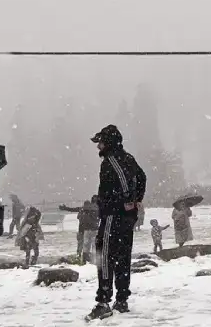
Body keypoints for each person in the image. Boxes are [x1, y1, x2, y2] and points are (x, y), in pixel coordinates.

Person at [86, 124, 147, 321]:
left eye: (101, 142)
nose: (98, 147)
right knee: (122, 257)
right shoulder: (128, 158)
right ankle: (121, 299)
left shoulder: (112, 161)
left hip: (113, 216)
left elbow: (122, 182)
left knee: (104, 255)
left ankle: (103, 301)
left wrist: (128, 201)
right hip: (125, 218)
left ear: (108, 143)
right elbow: (142, 177)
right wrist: (135, 200)